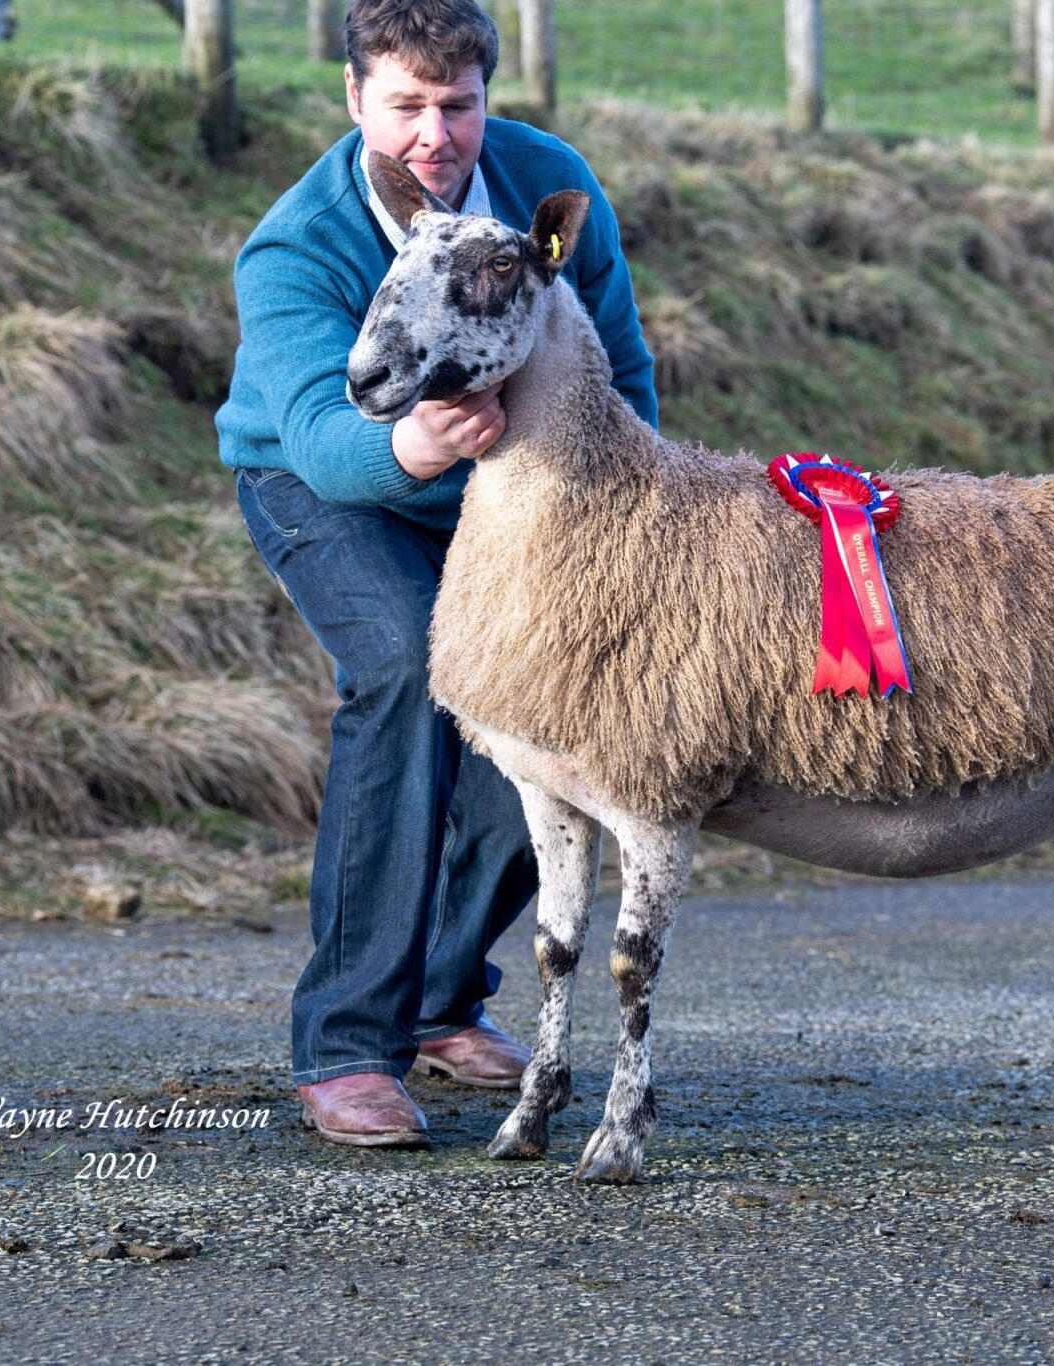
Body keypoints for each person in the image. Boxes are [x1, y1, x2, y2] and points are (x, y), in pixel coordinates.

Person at [215, 0, 657, 1147]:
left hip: (508, 491)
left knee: (558, 715)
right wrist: (415, 444)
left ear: (485, 100)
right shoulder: (295, 245)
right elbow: (319, 436)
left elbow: (619, 371)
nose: (433, 133)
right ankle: (347, 1045)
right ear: (356, 97)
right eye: (404, 104)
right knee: (411, 671)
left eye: (455, 105)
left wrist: (626, 520)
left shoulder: (550, 186)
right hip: (326, 484)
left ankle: (437, 999)